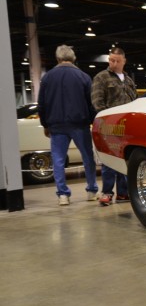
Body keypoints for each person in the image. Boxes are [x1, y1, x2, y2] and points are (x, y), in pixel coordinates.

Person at [37, 45, 99, 206]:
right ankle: (92, 191)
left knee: (58, 160)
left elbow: (41, 104)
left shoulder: (48, 77)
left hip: (56, 125)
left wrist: (45, 124)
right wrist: (93, 121)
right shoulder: (84, 77)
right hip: (80, 124)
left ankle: (63, 195)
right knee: (87, 157)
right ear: (74, 58)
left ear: (58, 59)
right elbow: (91, 103)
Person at [91, 47, 137, 206]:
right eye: (111, 60)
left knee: (124, 160)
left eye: (117, 61)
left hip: (126, 127)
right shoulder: (101, 78)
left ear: (124, 61)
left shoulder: (129, 80)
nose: (114, 63)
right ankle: (107, 192)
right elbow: (97, 102)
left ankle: (123, 193)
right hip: (109, 126)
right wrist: (107, 121)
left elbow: (134, 101)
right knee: (109, 161)